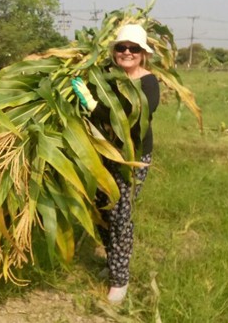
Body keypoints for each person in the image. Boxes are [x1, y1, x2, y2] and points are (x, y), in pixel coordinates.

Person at [72, 24, 160, 304]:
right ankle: (113, 263)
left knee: (121, 216)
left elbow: (128, 119)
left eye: (134, 48)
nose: (127, 52)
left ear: (143, 53)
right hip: (104, 153)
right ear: (113, 51)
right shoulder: (107, 79)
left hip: (131, 159)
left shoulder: (148, 83)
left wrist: (91, 104)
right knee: (102, 211)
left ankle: (120, 281)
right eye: (121, 47)